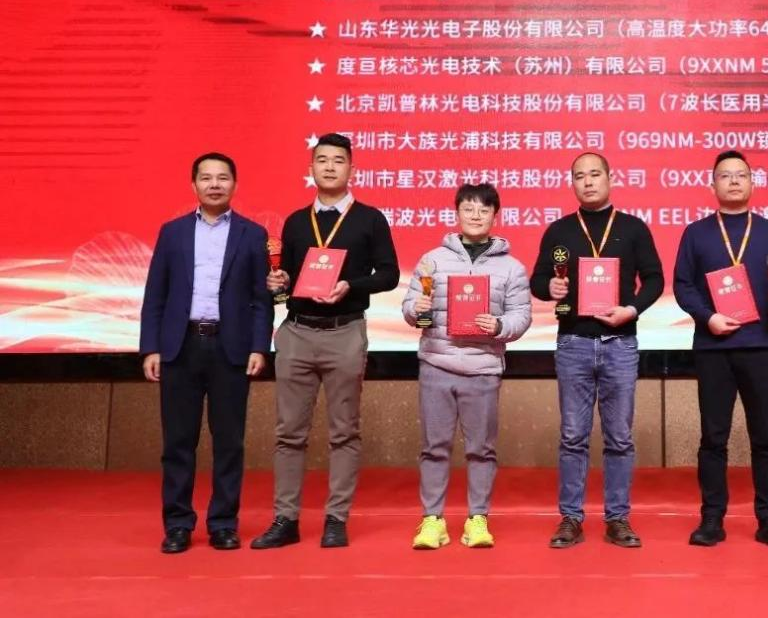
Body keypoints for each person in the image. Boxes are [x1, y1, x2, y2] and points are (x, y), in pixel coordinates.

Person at [251, 133, 400, 550]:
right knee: (288, 433)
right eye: (322, 160)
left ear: (351, 169)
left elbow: (389, 274)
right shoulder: (297, 222)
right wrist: (277, 282)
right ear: (311, 168)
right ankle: (285, 519)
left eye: (338, 160)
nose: (330, 167)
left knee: (344, 432)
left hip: (345, 332)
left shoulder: (370, 219)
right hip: (297, 332)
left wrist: (351, 285)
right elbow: (287, 279)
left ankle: (336, 519)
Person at [530, 152, 664, 548]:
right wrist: (549, 288)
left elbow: (654, 279)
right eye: (579, 176)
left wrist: (631, 310)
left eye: (594, 174)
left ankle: (617, 518)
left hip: (620, 343)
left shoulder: (633, 228)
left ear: (610, 178)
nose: (587, 182)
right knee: (573, 435)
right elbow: (538, 280)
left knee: (619, 436)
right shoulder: (559, 230)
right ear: (572, 183)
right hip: (573, 342)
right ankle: (570, 518)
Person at [140, 152, 271, 554]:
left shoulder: (253, 234)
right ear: (194, 184)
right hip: (180, 347)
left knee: (229, 442)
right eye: (206, 177)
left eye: (223, 177)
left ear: (235, 184)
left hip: (231, 349)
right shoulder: (172, 232)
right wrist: (151, 347)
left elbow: (261, 299)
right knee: (178, 442)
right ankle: (178, 525)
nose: (215, 184)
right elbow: (156, 295)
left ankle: (223, 523)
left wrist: (259, 346)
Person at [672, 150, 768, 548]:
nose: (734, 181)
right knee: (713, 437)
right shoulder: (696, 233)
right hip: (714, 346)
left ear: (752, 182)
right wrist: (707, 317)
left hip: (761, 345)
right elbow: (682, 285)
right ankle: (712, 518)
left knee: (765, 437)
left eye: (741, 175)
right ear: (713, 185)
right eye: (725, 176)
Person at [402, 183, 531, 550]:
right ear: (457, 213)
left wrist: (500, 326)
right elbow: (410, 306)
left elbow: (521, 315)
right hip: (437, 364)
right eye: (469, 209)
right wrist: (416, 310)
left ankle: (477, 518)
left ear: (495, 216)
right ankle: (433, 520)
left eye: (484, 210)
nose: (476, 216)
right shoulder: (432, 260)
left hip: (483, 368)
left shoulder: (512, 268)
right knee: (434, 447)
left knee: (481, 450)